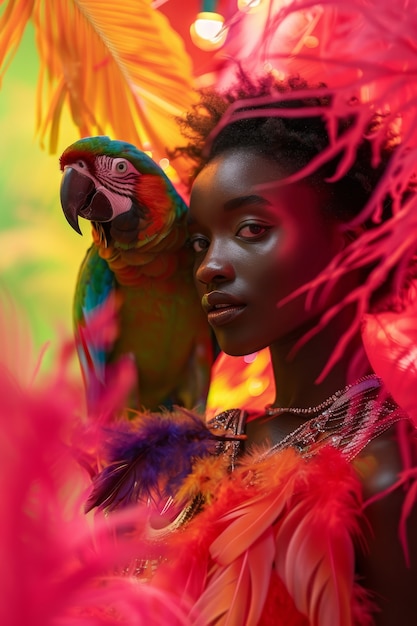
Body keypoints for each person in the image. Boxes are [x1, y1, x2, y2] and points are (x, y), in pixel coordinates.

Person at [87, 74, 417, 626]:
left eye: (250, 227)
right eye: (201, 241)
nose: (209, 267)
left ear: (353, 246)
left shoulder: (389, 474)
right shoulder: (198, 449)